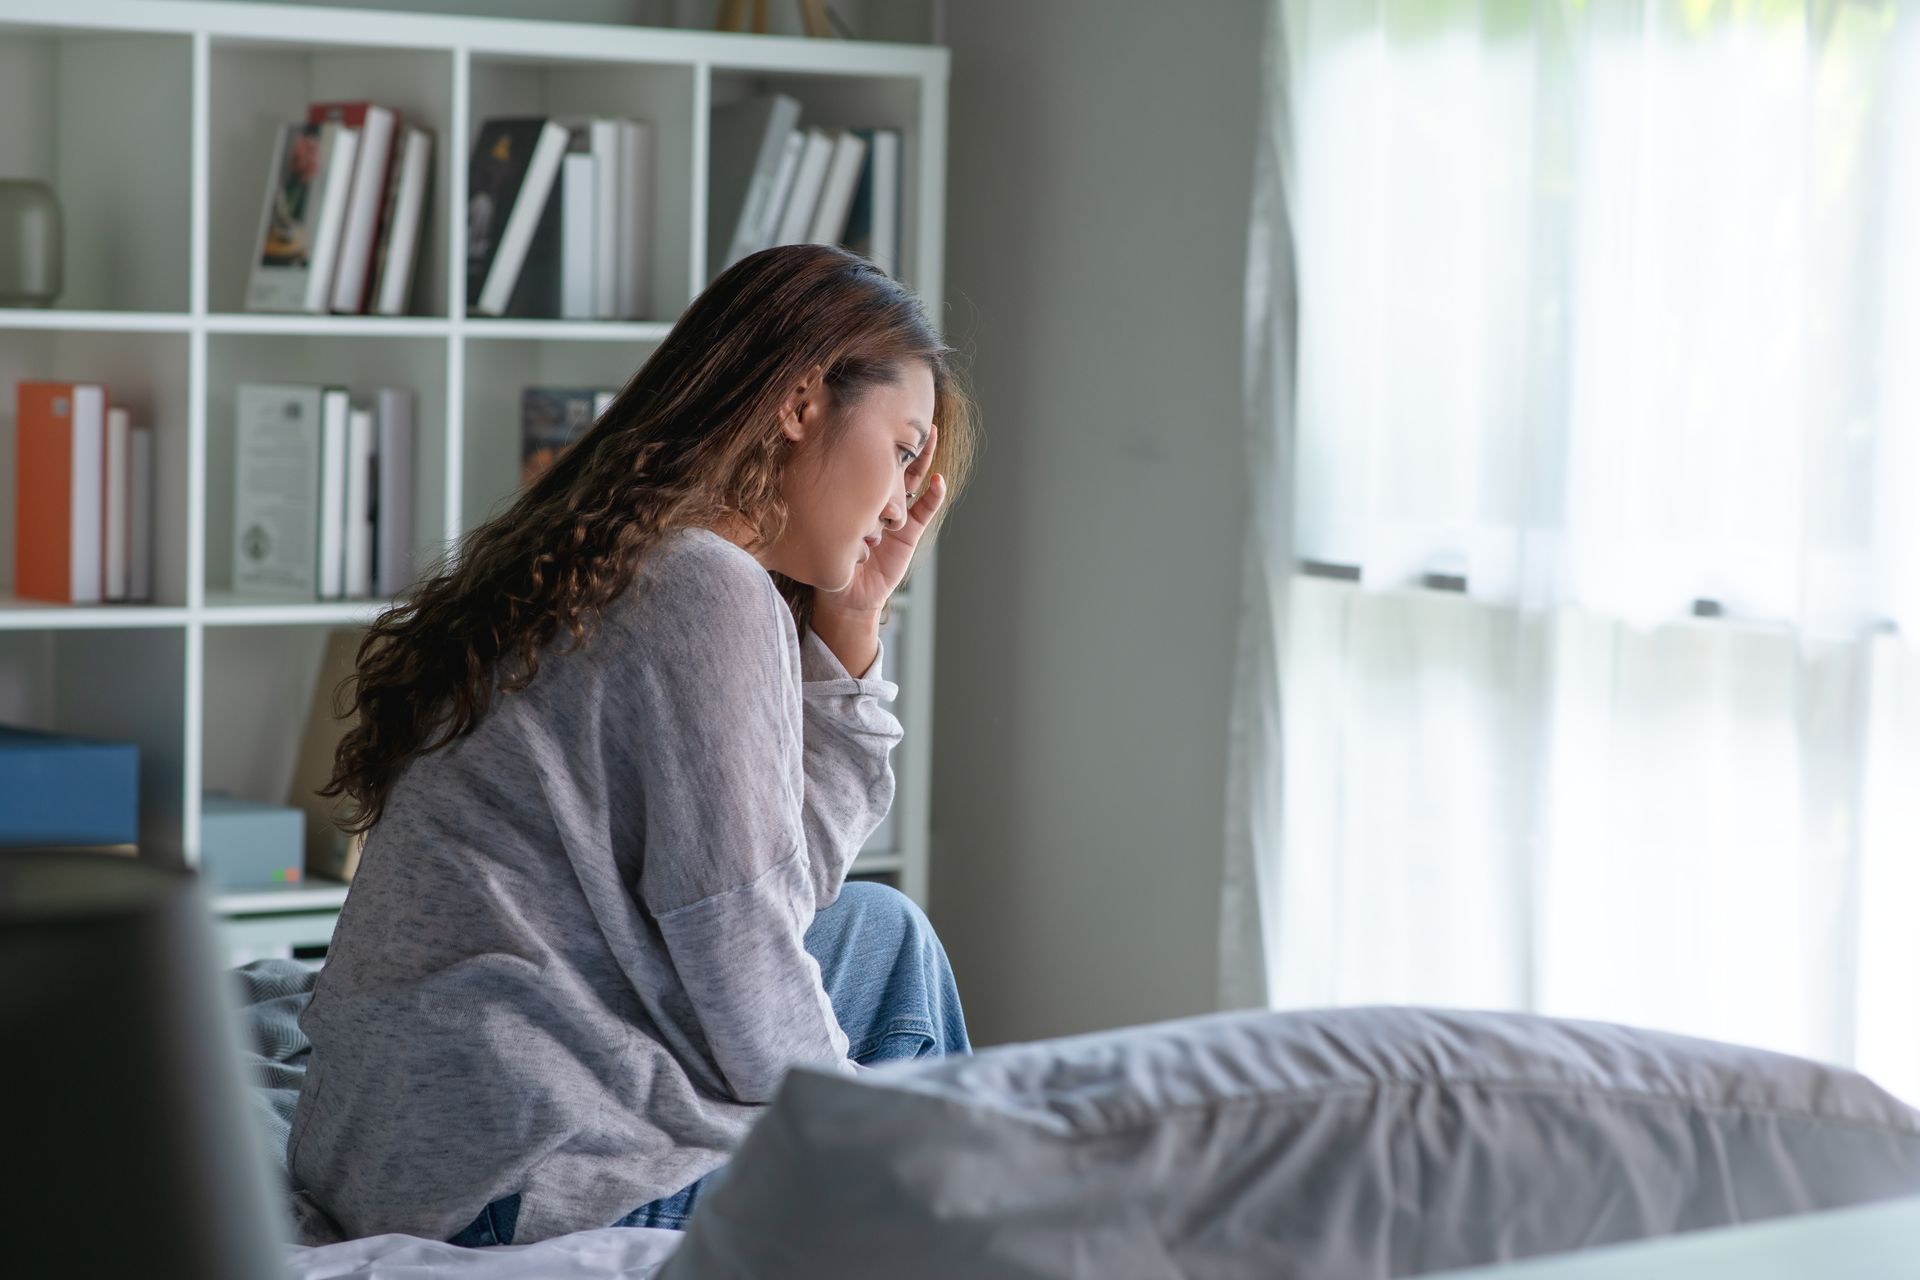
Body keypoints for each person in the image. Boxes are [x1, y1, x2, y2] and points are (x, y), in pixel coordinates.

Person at [286, 244, 978, 1247]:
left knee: (882, 929)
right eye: (906, 445)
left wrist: (852, 623)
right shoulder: (707, 587)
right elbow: (745, 962)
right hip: (509, 1174)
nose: (908, 498)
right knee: (925, 1183)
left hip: (407, 1144)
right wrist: (871, 1143)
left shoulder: (633, 554)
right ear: (800, 404)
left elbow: (789, 893)